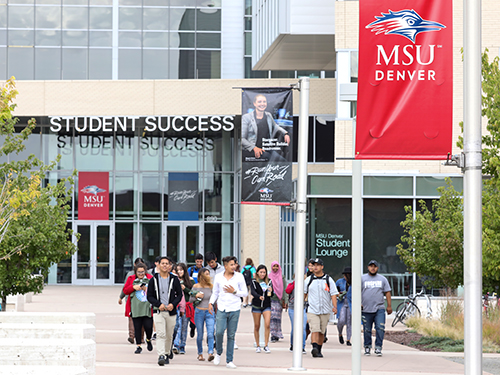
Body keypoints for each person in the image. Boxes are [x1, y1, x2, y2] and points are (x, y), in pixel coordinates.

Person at [208, 256, 248, 369]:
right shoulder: (218, 277)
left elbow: (245, 293)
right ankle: (219, 353)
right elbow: (215, 292)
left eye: (234, 264)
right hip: (221, 307)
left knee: (231, 335)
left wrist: (234, 291)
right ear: (225, 266)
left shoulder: (239, 277)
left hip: (235, 308)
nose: (233, 266)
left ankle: (229, 360)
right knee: (219, 332)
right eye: (231, 264)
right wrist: (211, 303)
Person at [147, 256, 183, 366]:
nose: (164, 265)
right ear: (158, 265)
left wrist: (173, 304)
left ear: (170, 266)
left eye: (167, 263)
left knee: (169, 335)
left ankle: (167, 353)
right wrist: (159, 304)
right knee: (161, 334)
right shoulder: (153, 280)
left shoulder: (174, 279)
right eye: (162, 263)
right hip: (158, 311)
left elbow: (179, 295)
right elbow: (150, 296)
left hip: (171, 311)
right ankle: (161, 355)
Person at [304, 258, 338, 358]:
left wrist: (334, 306)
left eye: (318, 265)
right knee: (315, 329)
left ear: (322, 267)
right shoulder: (309, 280)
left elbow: (333, 294)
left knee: (322, 331)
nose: (315, 267)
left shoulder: (328, 279)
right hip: (312, 309)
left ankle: (318, 349)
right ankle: (314, 347)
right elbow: (304, 293)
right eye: (314, 265)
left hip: (325, 310)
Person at [241, 94, 290, 162]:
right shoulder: (246, 117)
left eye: (264, 102)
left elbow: (276, 126)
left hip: (266, 148)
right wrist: (254, 148)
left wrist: (285, 133)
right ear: (254, 103)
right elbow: (242, 139)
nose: (262, 104)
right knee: (277, 161)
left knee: (284, 161)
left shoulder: (268, 115)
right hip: (252, 150)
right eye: (259, 102)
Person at [361, 260, 392, 357]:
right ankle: (367, 346)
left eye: (375, 266)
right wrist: (359, 303)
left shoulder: (382, 279)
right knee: (367, 329)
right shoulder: (362, 278)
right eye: (371, 266)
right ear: (368, 267)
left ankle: (378, 347)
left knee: (380, 327)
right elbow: (356, 291)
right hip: (366, 309)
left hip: (379, 308)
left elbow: (387, 292)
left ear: (377, 268)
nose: (373, 268)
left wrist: (389, 305)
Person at [123, 262, 154, 354]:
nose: (141, 274)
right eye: (139, 272)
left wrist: (146, 289)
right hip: (135, 307)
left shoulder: (150, 279)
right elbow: (125, 290)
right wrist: (133, 287)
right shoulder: (131, 279)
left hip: (147, 307)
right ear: (135, 272)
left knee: (148, 326)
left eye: (142, 272)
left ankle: (148, 339)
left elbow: (155, 291)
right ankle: (138, 346)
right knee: (137, 327)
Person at [118, 257, 148, 344]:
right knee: (132, 317)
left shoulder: (148, 275)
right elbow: (125, 287)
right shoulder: (130, 275)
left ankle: (141, 337)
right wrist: (121, 297)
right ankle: (132, 336)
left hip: (143, 300)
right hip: (131, 300)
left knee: (142, 318)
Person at [190, 267, 215, 362]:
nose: (208, 276)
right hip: (199, 311)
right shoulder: (196, 286)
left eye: (209, 274)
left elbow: (215, 299)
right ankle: (200, 353)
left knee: (210, 333)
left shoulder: (212, 286)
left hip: (209, 312)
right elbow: (190, 300)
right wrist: (196, 296)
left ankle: (210, 352)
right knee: (200, 335)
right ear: (201, 276)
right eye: (206, 274)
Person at [250, 264, 272, 353]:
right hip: (256, 306)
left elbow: (271, 295)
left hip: (266, 305)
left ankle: (266, 345)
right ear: (257, 273)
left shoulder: (269, 282)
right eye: (261, 272)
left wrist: (271, 291)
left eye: (264, 272)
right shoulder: (254, 282)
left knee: (267, 324)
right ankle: (258, 344)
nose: (262, 274)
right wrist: (259, 296)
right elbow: (253, 292)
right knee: (257, 325)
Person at [173, 262, 194, 355]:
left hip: (187, 306)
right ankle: (176, 344)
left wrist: (185, 288)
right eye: (177, 270)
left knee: (184, 327)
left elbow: (193, 293)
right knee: (177, 326)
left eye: (181, 270)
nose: (179, 272)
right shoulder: (174, 280)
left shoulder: (190, 280)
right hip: (176, 306)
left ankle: (182, 345)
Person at [285, 274, 307, 354]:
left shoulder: (306, 284)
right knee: (295, 328)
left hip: (303, 308)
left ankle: (302, 346)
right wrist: (295, 283)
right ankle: (292, 344)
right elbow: (287, 291)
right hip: (292, 308)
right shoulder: (291, 284)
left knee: (303, 327)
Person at [269, 261, 288, 343]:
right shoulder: (269, 277)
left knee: (277, 318)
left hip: (279, 300)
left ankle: (277, 333)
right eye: (274, 266)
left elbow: (285, 289)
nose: (275, 268)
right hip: (271, 300)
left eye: (277, 266)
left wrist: (286, 300)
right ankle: (273, 334)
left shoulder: (282, 277)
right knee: (272, 317)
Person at [336, 267, 352, 346]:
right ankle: (340, 333)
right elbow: (334, 291)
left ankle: (348, 339)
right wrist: (338, 294)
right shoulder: (339, 282)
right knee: (341, 320)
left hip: (350, 303)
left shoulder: (354, 282)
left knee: (349, 322)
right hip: (341, 302)